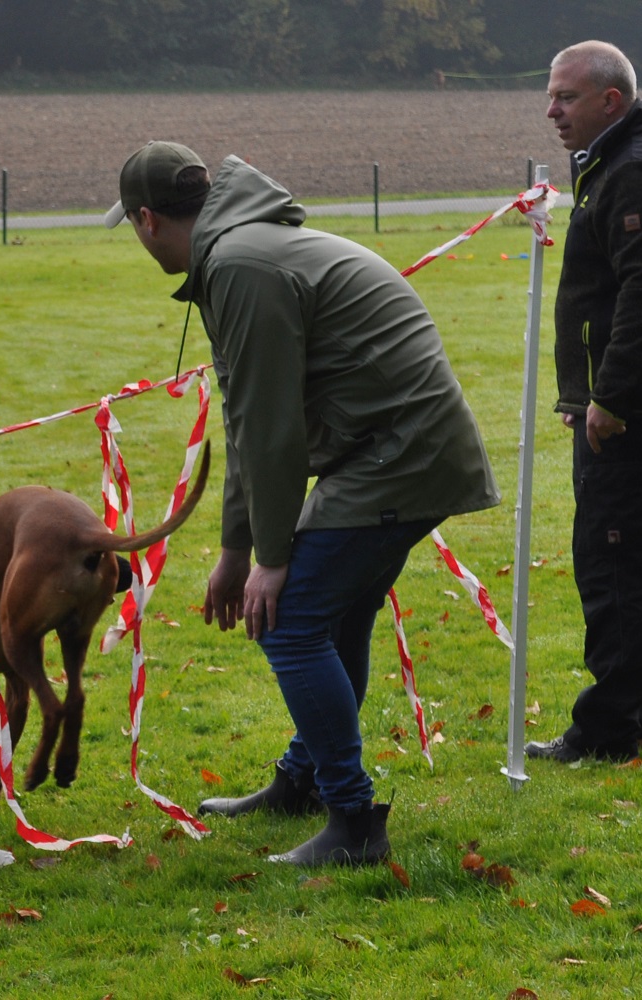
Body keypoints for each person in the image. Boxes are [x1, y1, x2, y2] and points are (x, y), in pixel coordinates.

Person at [103, 142, 498, 865]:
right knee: (333, 612)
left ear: (148, 219)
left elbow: (274, 431)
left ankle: (352, 823)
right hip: (393, 448)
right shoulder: (241, 252)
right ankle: (307, 781)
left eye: (131, 226)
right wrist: (233, 550)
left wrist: (270, 560)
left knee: (289, 623)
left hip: (400, 452)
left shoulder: (242, 265)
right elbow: (248, 420)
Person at [524, 41, 642, 764]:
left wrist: (609, 397)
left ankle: (607, 730)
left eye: (566, 97)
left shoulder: (633, 172)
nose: (552, 110)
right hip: (632, 402)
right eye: (551, 95)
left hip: (633, 410)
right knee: (640, 560)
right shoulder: (616, 163)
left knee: (612, 562)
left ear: (611, 100)